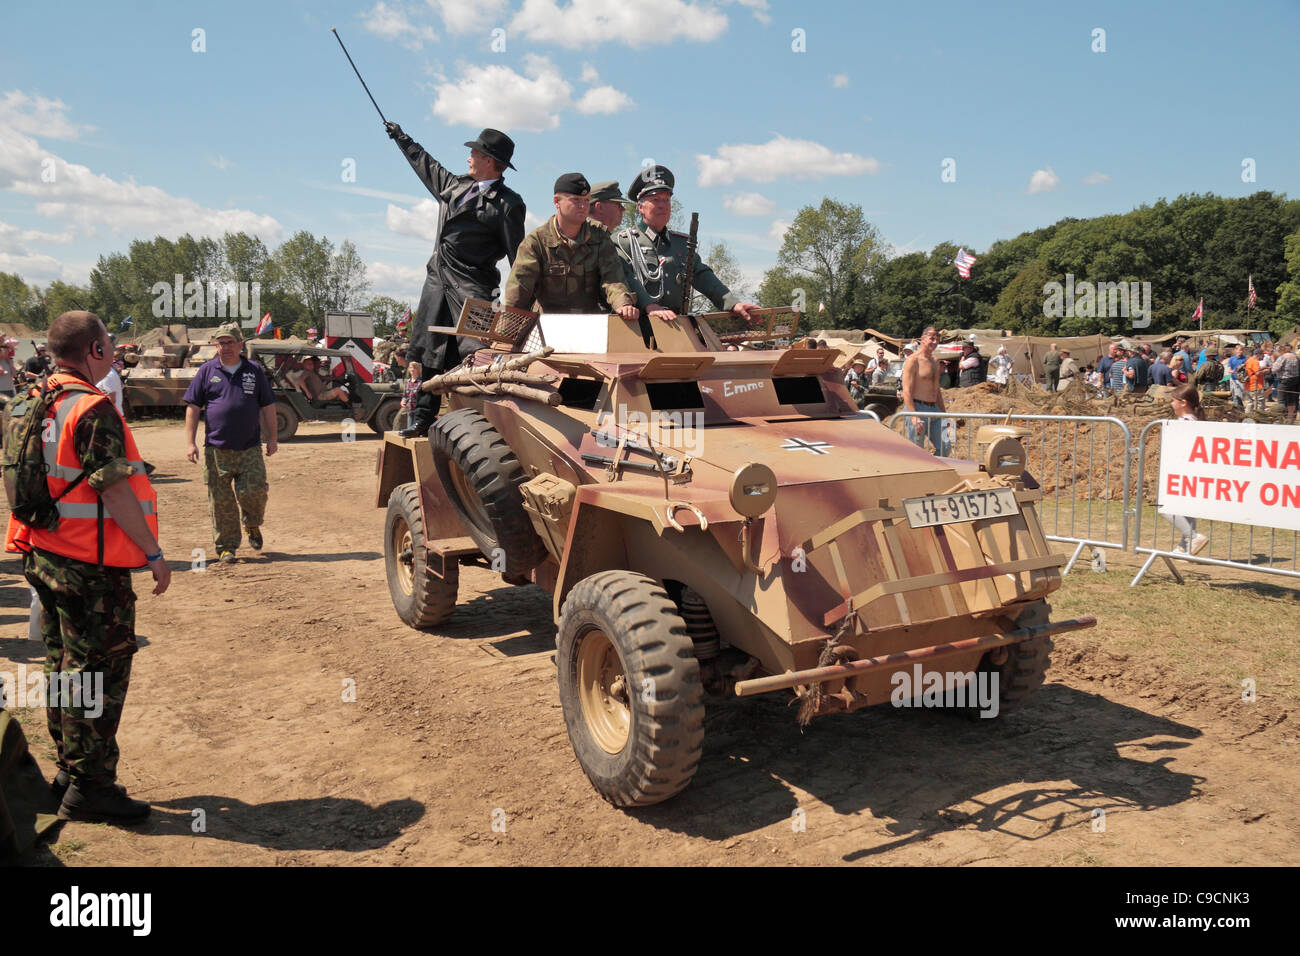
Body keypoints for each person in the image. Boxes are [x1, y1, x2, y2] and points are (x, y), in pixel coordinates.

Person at [6, 311, 170, 823]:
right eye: (109, 343)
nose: (112, 350)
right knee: (97, 673)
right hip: (89, 566)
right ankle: (91, 787)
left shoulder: (29, 400)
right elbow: (115, 488)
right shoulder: (92, 408)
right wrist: (154, 554)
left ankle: (68, 772)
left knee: (64, 669)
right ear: (95, 350)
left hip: (44, 553)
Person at [384, 121, 526, 437]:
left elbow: (519, 257)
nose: (469, 157)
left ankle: (479, 424)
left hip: (475, 289)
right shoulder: (454, 186)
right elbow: (426, 165)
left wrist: (523, 298)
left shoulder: (508, 204)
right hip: (438, 282)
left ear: (490, 161)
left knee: (476, 357)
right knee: (430, 356)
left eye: (474, 152)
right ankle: (422, 419)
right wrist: (402, 138)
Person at [612, 165, 760, 343]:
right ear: (640, 207)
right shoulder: (623, 242)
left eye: (666, 200)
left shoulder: (681, 244)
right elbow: (625, 278)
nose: (662, 205)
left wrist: (732, 303)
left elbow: (701, 275)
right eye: (655, 200)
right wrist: (649, 305)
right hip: (637, 330)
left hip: (677, 329)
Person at [183, 323, 276, 564]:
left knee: (255, 492)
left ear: (240, 345)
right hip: (216, 449)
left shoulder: (254, 371)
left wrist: (273, 438)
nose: (225, 347)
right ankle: (227, 547)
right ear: (216, 345)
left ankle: (252, 524)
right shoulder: (206, 371)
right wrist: (190, 443)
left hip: (250, 447)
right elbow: (193, 407)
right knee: (221, 500)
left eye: (230, 342)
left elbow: (268, 406)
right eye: (221, 343)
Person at [503, 174, 640, 320]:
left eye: (586, 201)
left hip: (589, 323)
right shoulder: (536, 243)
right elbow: (517, 294)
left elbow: (613, 278)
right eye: (576, 200)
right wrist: (504, 332)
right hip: (546, 326)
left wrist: (623, 304)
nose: (583, 206)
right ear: (557, 201)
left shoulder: (599, 237)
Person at [1163, 384, 1209, 556]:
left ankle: (1192, 537)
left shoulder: (1185, 423)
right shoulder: (1194, 421)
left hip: (1183, 471)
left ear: (1183, 403)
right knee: (1186, 509)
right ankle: (1185, 546)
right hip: (1188, 471)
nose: (1171, 404)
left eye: (1173, 401)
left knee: (1163, 506)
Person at [902, 326, 951, 456]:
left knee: (946, 446)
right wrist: (914, 416)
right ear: (923, 339)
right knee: (917, 452)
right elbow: (906, 391)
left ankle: (936, 471)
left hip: (934, 410)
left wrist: (944, 415)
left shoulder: (935, 360)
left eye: (937, 339)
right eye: (932, 339)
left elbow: (937, 390)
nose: (935, 342)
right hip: (917, 408)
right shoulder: (912, 361)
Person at [396, 359, 423, 433]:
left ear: (418, 370)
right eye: (410, 367)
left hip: (418, 411)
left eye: (414, 368)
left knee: (417, 431)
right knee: (409, 430)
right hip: (410, 410)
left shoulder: (422, 382)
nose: (412, 369)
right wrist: (403, 401)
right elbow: (405, 395)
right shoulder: (408, 382)